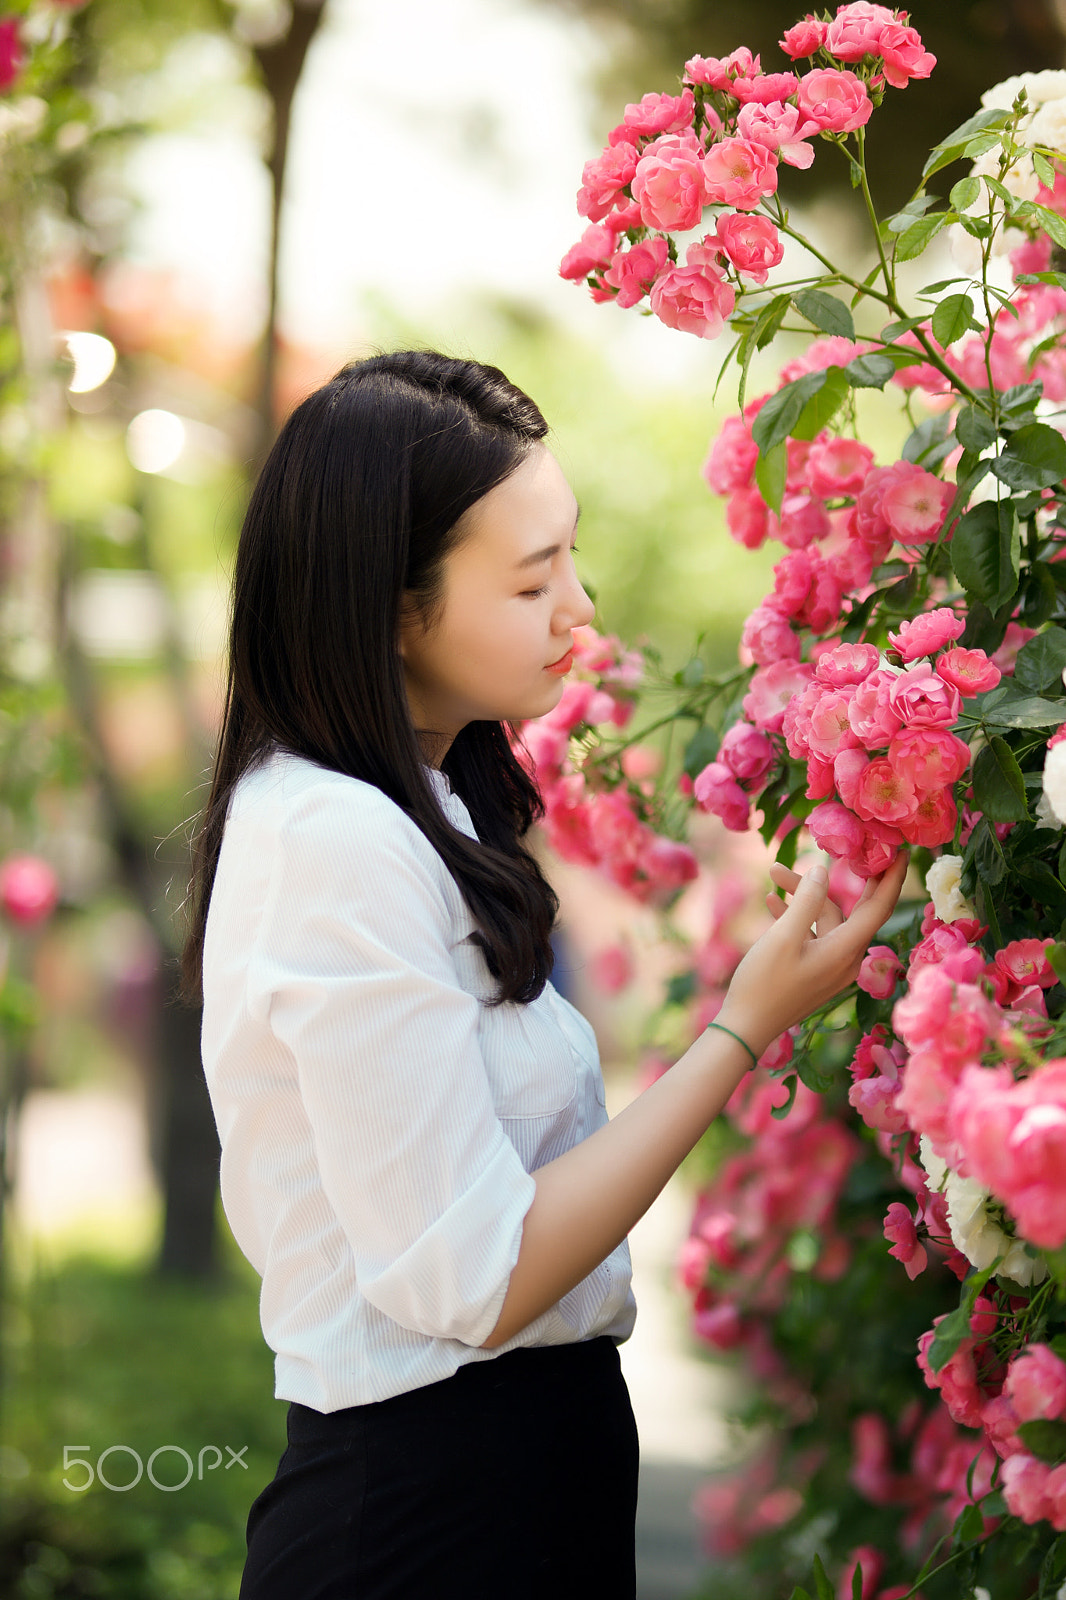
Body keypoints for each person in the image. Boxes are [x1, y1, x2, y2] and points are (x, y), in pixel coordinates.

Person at [183, 349, 907, 1600]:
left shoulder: (420, 807)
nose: (582, 610)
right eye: (532, 581)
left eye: (567, 553)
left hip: (510, 1484)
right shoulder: (333, 843)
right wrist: (739, 1031)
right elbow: (479, 1277)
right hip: (424, 1519)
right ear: (394, 610)